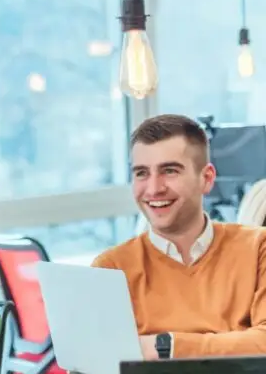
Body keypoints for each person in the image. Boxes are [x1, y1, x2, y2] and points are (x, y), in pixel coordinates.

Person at [92, 113, 266, 360]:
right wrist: (232, 344)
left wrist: (165, 346)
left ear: (206, 179)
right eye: (142, 173)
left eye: (169, 171)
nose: (154, 188)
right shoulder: (110, 269)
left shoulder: (258, 247)